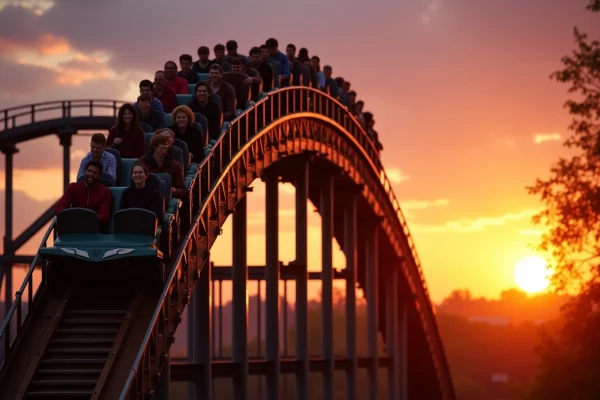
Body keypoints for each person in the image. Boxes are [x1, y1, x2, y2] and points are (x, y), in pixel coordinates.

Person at [55, 160, 112, 227]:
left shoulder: (105, 192)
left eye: (95, 173)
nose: (91, 174)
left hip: (93, 229)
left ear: (99, 176)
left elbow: (104, 217)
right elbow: (60, 207)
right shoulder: (73, 187)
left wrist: (84, 219)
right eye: (89, 171)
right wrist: (70, 216)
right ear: (85, 172)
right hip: (73, 226)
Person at [137, 135, 187, 199]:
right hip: (145, 196)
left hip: (166, 198)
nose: (166, 146)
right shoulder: (143, 161)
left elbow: (183, 190)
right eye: (163, 144)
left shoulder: (175, 165)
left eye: (167, 144)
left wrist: (174, 190)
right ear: (155, 147)